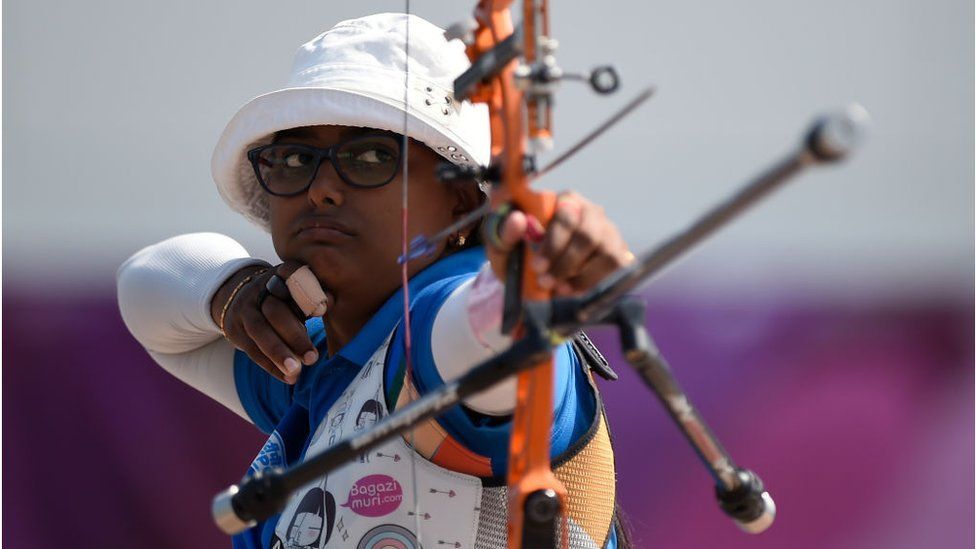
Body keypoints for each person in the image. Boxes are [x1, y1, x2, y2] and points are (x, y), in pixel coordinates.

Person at [117, 13, 633, 549]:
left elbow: (481, 337)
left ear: (460, 196)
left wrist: (526, 282)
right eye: (295, 159)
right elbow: (143, 291)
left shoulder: (436, 322)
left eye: (369, 157)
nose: (321, 189)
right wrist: (231, 291)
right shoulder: (313, 360)